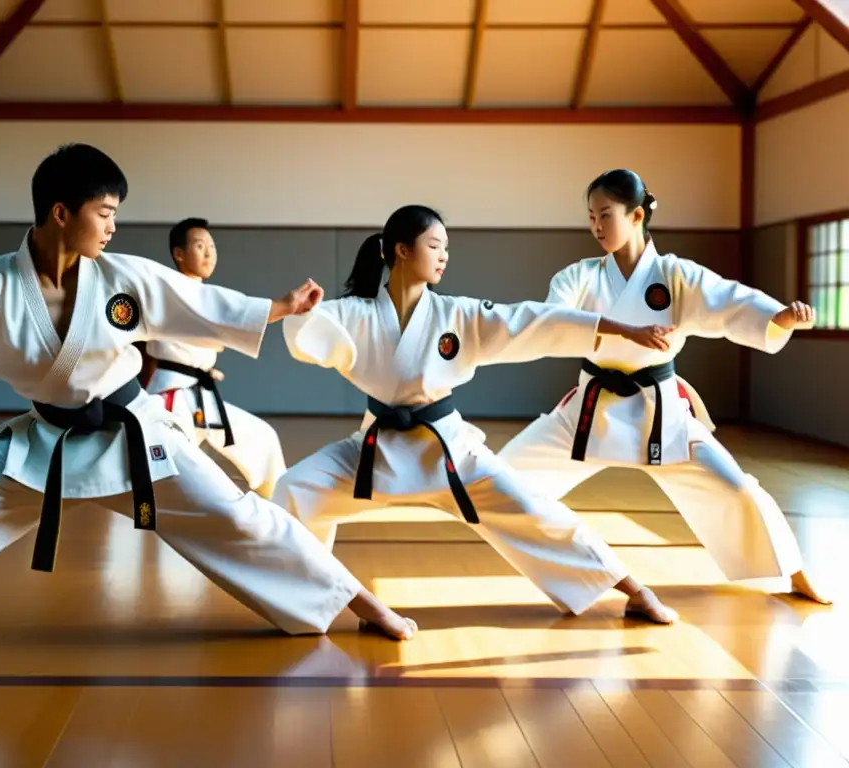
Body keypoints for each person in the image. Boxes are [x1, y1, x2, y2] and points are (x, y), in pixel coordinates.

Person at [0, 144, 417, 679]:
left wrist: (279, 307)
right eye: (104, 211)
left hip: (134, 438)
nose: (113, 225)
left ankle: (357, 601)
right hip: (46, 445)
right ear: (61, 212)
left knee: (241, 516)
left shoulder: (123, 276)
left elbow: (198, 302)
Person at [271, 204, 680, 625]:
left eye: (447, 248)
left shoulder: (457, 314)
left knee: (536, 511)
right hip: (374, 452)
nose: (445, 255)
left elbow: (529, 320)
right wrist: (300, 311)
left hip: (450, 453)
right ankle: (324, 601)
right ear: (402, 250)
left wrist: (618, 328)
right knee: (292, 490)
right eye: (435, 245)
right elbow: (308, 330)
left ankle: (634, 590)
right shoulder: (356, 313)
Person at [497, 168, 828, 605]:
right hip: (589, 412)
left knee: (738, 488)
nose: (596, 226)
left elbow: (729, 300)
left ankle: (795, 571)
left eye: (605, 215)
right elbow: (552, 320)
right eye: (591, 217)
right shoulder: (579, 276)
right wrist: (623, 331)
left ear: (636, 216)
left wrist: (778, 317)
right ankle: (596, 574)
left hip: (662, 413)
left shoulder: (676, 275)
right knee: (500, 480)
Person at [142, 217, 286, 498]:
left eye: (212, 245)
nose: (209, 252)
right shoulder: (169, 290)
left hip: (199, 394)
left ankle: (282, 506)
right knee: (168, 476)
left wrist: (204, 368)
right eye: (199, 245)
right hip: (172, 397)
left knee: (262, 438)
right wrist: (284, 307)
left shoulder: (204, 295)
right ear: (179, 254)